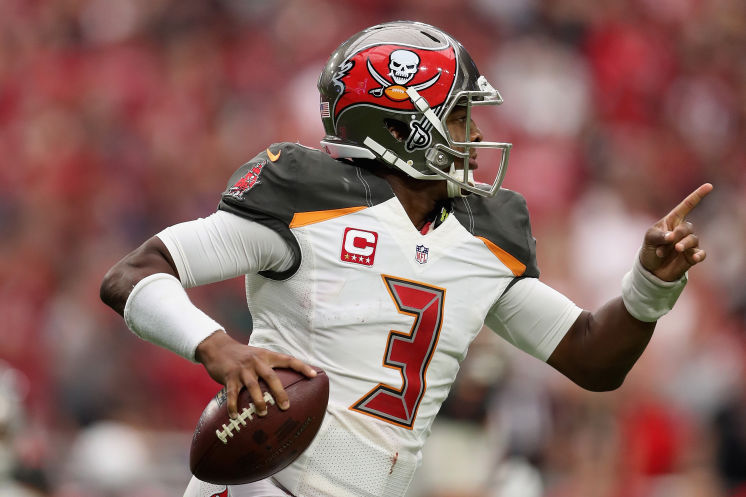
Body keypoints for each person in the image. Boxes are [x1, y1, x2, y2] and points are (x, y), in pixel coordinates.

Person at [100, 21, 712, 497]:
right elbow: (134, 274)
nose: (474, 137)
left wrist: (649, 287)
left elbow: (590, 357)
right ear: (403, 126)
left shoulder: (482, 233)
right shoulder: (306, 199)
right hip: (268, 482)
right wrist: (218, 346)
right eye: (460, 117)